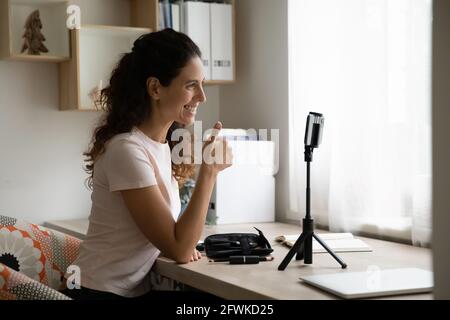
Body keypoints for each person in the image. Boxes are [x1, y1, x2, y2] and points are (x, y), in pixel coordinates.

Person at [62, 29, 232, 299]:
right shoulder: (126, 150)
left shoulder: (161, 146)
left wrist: (182, 241)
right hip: (99, 292)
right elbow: (179, 248)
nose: (202, 96)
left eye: (202, 84)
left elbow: (171, 239)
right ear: (155, 88)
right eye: (191, 85)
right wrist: (209, 172)